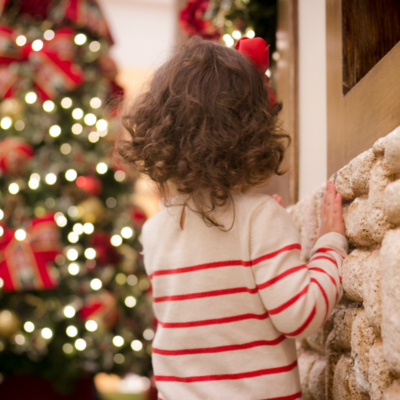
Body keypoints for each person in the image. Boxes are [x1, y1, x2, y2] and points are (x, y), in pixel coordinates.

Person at [118, 36, 347, 400]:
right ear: (252, 133)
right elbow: (300, 316)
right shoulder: (260, 218)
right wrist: (330, 246)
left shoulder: (154, 231)